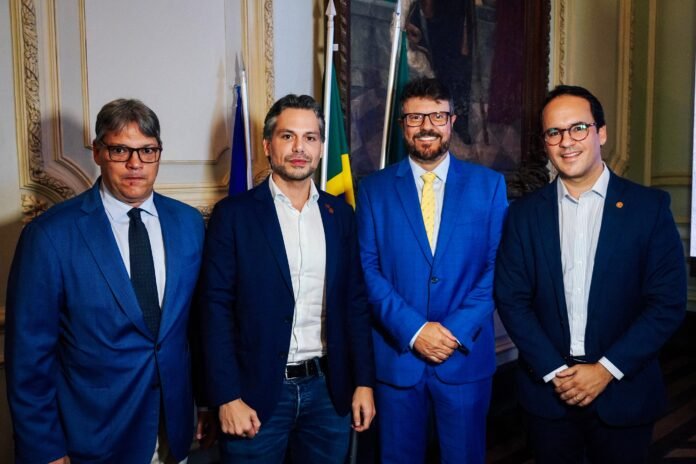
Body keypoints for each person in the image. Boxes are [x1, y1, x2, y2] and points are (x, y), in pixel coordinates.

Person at [5, 99, 213, 463]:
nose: (135, 163)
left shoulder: (189, 224)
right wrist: (44, 448)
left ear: (158, 154)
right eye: (120, 150)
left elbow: (197, 328)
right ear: (99, 152)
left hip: (174, 429)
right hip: (94, 438)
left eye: (147, 150)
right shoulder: (50, 235)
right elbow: (28, 356)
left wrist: (207, 402)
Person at [494, 85, 686, 463]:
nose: (566, 141)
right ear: (545, 143)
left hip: (625, 393)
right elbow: (512, 299)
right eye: (554, 132)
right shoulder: (523, 214)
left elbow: (666, 303)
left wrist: (605, 370)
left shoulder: (648, 208)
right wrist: (554, 370)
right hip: (548, 395)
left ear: (602, 133)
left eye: (578, 128)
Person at [199, 94, 375, 464]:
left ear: (321, 148)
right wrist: (226, 396)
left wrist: (363, 382)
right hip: (255, 395)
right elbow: (214, 311)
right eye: (287, 136)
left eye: (310, 138)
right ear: (268, 145)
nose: (299, 148)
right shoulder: (234, 216)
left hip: (329, 392)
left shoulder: (340, 215)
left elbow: (355, 304)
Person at [356, 77, 508, 463]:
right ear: (402, 125)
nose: (427, 126)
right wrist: (414, 330)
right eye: (415, 117)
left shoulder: (489, 186)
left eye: (437, 116)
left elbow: (499, 267)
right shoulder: (373, 190)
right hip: (398, 360)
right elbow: (367, 270)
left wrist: (453, 332)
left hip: (464, 358)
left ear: (452, 121)